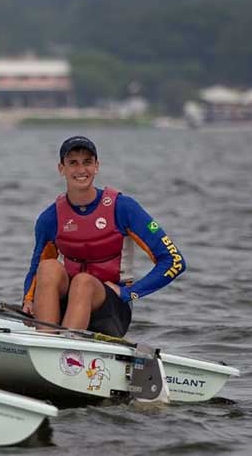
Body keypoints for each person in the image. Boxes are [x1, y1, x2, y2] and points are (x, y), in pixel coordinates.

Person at [20, 135, 185, 337]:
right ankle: (45, 339)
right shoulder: (50, 218)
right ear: (61, 169)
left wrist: (128, 293)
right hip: (67, 305)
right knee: (48, 267)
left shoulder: (124, 207)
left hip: (112, 312)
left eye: (87, 162)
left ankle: (67, 350)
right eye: (73, 163)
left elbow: (174, 260)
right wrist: (28, 301)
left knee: (83, 282)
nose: (81, 170)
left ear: (97, 166)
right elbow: (36, 268)